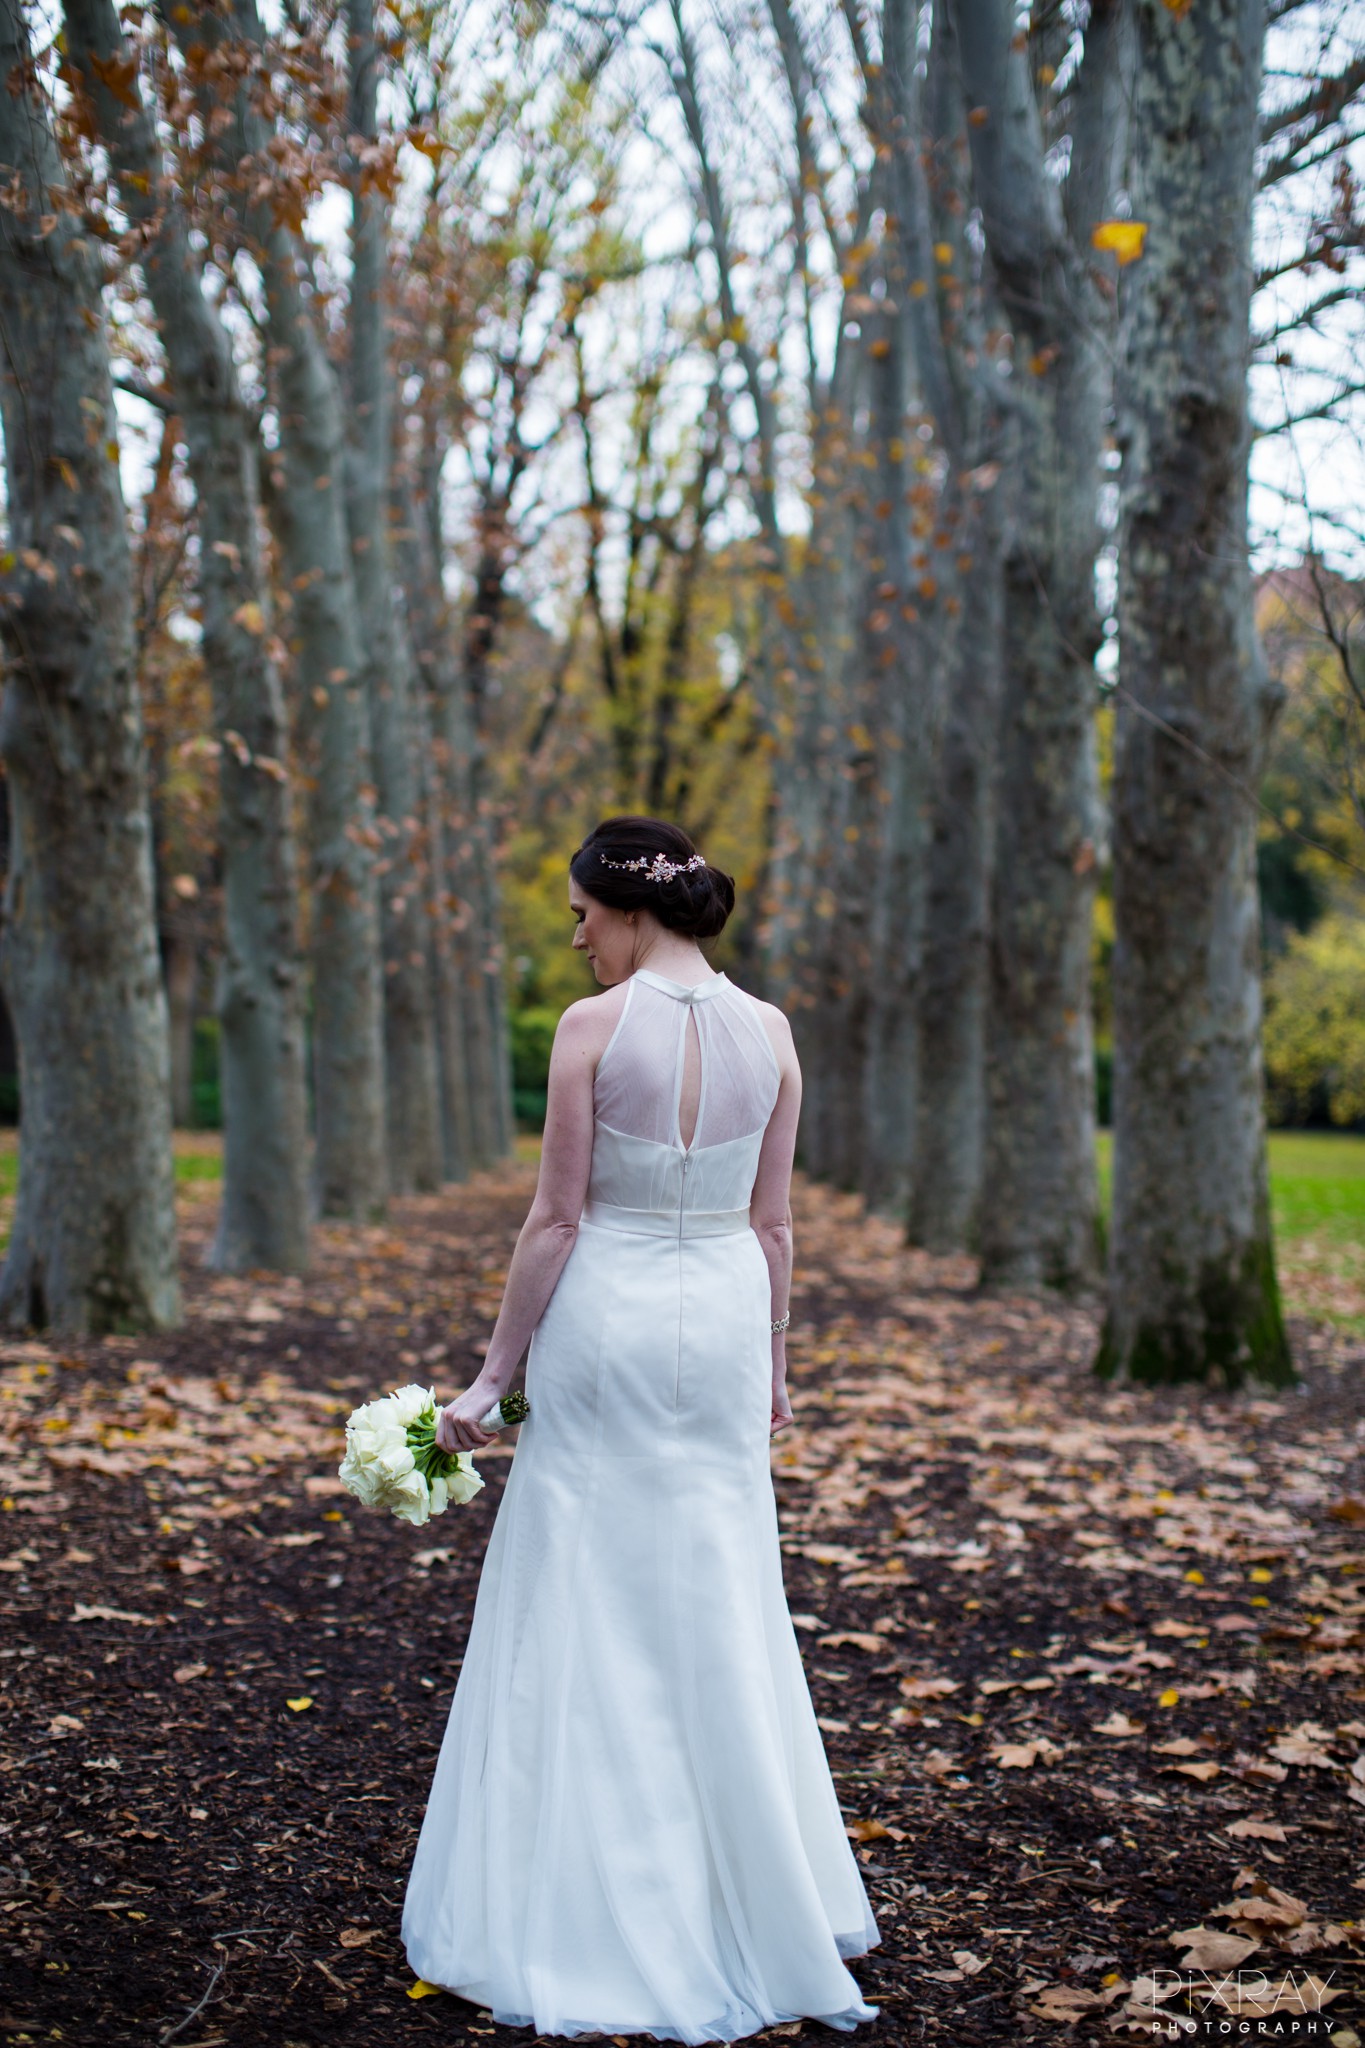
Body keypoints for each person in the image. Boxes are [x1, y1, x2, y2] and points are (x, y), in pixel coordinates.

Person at [401, 815, 881, 2043]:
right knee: (719, 1582)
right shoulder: (770, 1033)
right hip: (719, 1319)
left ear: (629, 907)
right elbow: (774, 1226)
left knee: (585, 1580)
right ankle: (749, 1889)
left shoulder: (592, 1031)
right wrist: (774, 1363)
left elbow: (556, 1219)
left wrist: (491, 1375)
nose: (575, 937)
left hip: (610, 1310)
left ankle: (576, 1891)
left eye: (581, 914)